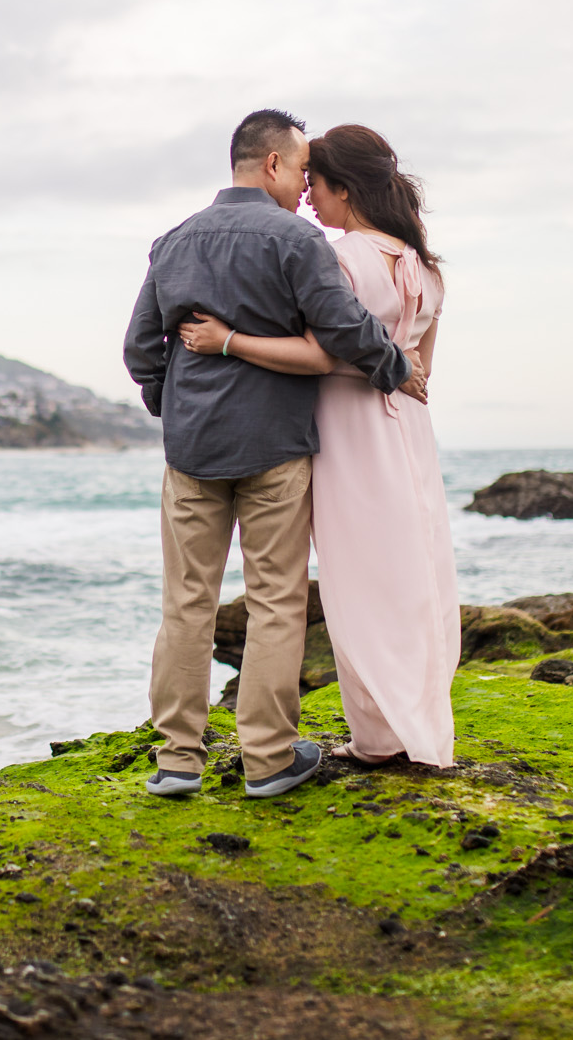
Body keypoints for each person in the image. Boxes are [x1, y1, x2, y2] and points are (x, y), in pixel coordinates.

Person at [124, 110, 423, 799]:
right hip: (274, 448)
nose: (303, 189)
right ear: (272, 165)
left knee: (186, 603)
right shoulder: (295, 238)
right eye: (300, 172)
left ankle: (177, 760)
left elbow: (141, 350)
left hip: (192, 451)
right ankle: (267, 758)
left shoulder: (173, 241)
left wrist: (174, 408)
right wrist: (393, 366)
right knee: (277, 602)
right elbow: (343, 324)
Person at [177, 124, 457, 769]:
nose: (308, 197)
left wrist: (229, 342)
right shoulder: (425, 267)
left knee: (358, 582)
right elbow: (419, 371)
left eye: (317, 185)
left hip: (348, 431)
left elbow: (319, 354)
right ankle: (416, 723)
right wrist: (390, 365)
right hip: (407, 430)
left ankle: (380, 738)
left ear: (343, 189)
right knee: (414, 573)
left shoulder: (340, 258)